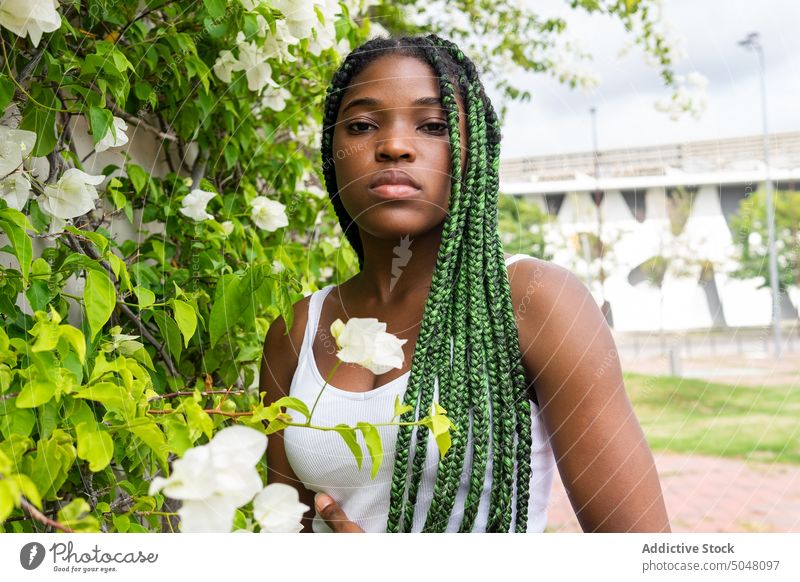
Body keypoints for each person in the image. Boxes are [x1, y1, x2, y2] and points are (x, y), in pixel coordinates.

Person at [259, 33, 670, 533]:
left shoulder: (535, 301)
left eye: (432, 125)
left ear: (471, 151)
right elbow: (283, 531)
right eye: (363, 125)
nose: (393, 146)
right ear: (333, 152)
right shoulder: (298, 331)